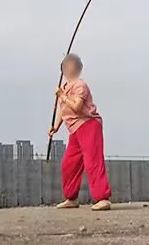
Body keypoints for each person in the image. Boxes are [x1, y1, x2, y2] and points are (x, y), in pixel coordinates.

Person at [48, 53, 112, 211]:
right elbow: (64, 110)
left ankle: (102, 198)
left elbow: (76, 107)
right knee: (69, 164)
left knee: (92, 161)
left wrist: (62, 96)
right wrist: (56, 127)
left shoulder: (80, 86)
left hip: (88, 125)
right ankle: (71, 197)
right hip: (75, 130)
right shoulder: (65, 87)